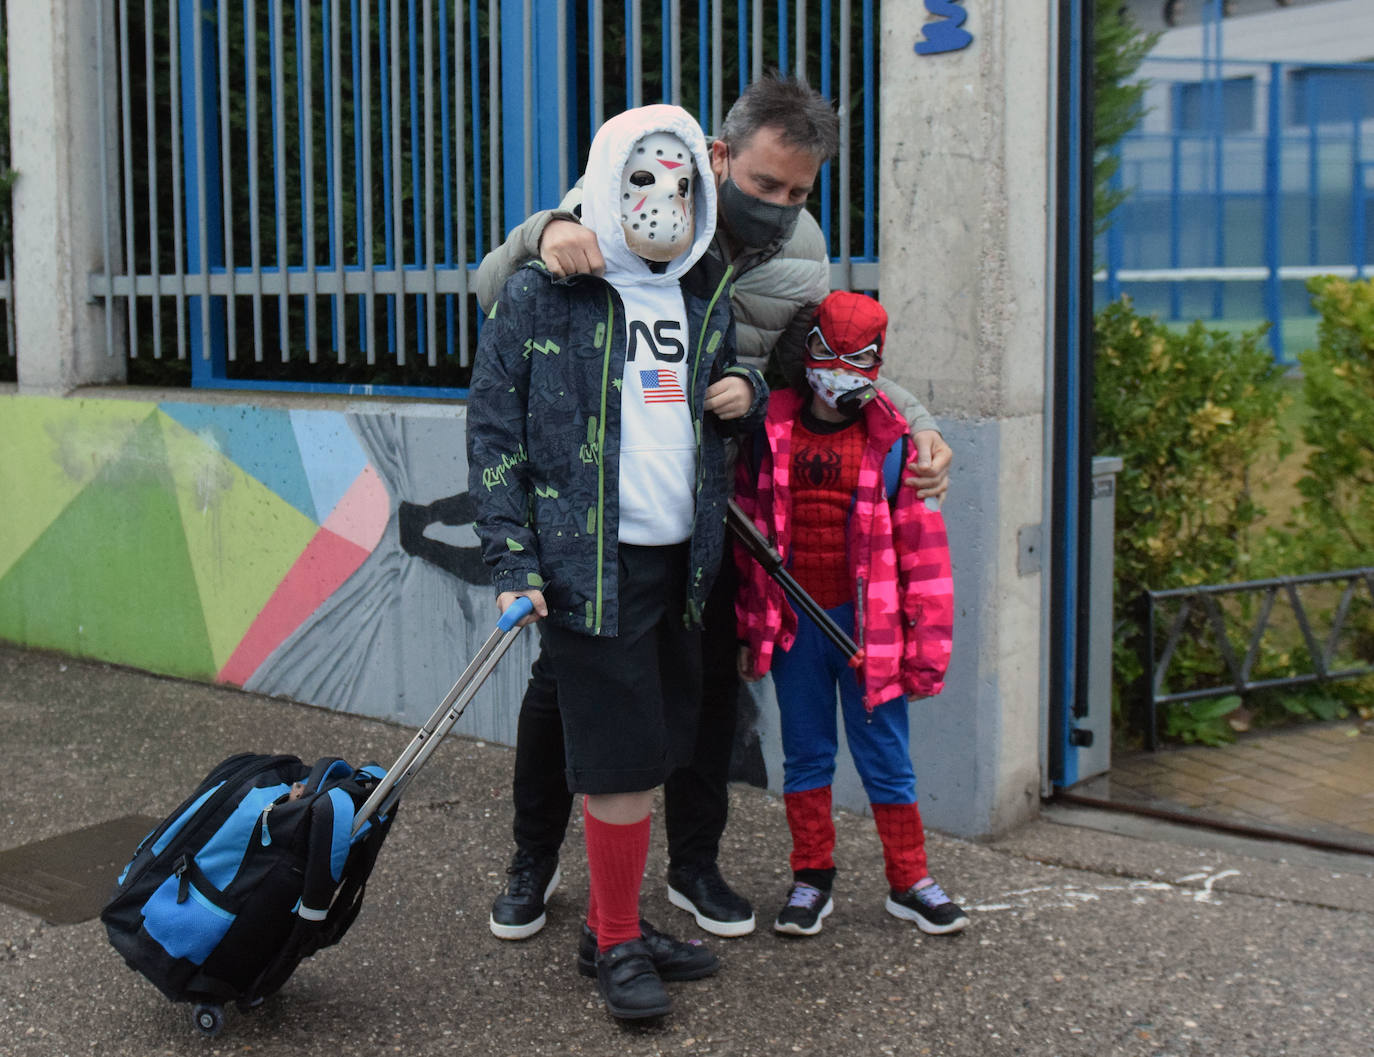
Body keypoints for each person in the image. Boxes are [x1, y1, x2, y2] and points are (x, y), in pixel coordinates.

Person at [475, 76, 954, 941]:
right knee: (563, 686)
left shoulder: (801, 249)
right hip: (602, 509)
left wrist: (917, 429)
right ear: (721, 157)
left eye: (798, 192)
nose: (778, 207)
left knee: (703, 688)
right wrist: (548, 230)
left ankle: (695, 864)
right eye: (765, 185)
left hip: (725, 505)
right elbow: (495, 294)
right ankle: (533, 855)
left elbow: (830, 357)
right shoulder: (626, 192)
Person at [466, 104, 767, 1020]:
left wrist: (743, 392)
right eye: (641, 180)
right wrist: (513, 559)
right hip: (583, 564)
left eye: (681, 184)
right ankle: (618, 945)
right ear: (603, 180)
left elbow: (723, 415)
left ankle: (608, 921)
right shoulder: (541, 291)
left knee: (661, 740)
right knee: (620, 761)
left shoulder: (701, 292)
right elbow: (493, 431)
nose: (661, 201)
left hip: (684, 564)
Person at [734, 290, 968, 938]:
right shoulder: (769, 423)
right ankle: (812, 876)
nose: (837, 371)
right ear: (806, 352)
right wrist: (750, 621)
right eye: (826, 354)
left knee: (886, 756)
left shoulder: (895, 439)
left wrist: (926, 643)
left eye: (854, 358)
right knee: (807, 755)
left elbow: (923, 550)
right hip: (795, 624)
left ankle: (910, 879)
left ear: (876, 362)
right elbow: (747, 521)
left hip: (872, 628)